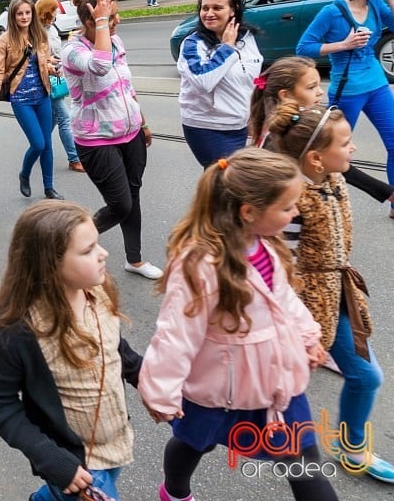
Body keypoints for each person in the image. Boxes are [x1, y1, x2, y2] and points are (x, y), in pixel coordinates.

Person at [138, 148, 335, 501]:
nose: (296, 212)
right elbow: (176, 333)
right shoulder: (200, 263)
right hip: (220, 388)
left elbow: (284, 300)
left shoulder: (267, 247)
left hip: (275, 382)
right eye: (287, 207)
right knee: (193, 443)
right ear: (249, 212)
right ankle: (174, 491)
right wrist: (161, 391)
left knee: (306, 467)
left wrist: (307, 337)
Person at [0, 201, 143, 501]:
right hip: (73, 461)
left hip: (114, 439)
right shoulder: (19, 332)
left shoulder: (97, 291)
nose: (103, 254)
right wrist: (51, 460)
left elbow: (114, 347)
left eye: (98, 243)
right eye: (88, 250)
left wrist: (147, 380)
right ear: (49, 264)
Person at [267, 103, 394, 483]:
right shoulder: (291, 201)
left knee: (366, 377)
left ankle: (348, 445)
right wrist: (293, 326)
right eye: (347, 142)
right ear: (317, 158)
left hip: (337, 292)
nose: (354, 148)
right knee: (291, 388)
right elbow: (280, 268)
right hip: (307, 305)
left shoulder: (333, 178)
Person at [60, 0, 161, 280]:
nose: (117, 22)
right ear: (90, 21)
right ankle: (66, 243)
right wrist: (103, 23)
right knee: (120, 204)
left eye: (114, 16)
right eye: (109, 17)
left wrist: (142, 121)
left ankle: (135, 260)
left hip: (130, 133)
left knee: (133, 196)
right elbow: (100, 67)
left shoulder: (116, 41)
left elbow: (126, 87)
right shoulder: (72, 50)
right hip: (96, 140)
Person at [296, 0, 394, 217]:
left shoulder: (377, 5)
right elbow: (303, 47)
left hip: (377, 85)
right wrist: (344, 45)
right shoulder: (332, 12)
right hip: (347, 90)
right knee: (329, 151)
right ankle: (321, 201)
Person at [248, 56, 394, 207]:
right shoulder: (283, 136)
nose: (319, 92)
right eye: (311, 87)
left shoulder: (297, 123)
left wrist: (387, 192)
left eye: (319, 85)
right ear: (285, 95)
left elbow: (337, 164)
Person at [0, 0, 64, 201]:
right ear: (13, 16)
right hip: (21, 100)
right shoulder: (6, 38)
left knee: (47, 144)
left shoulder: (39, 35)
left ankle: (49, 187)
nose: (24, 17)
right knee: (38, 143)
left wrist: (52, 69)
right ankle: (25, 174)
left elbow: (44, 62)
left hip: (42, 96)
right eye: (20, 13)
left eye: (27, 12)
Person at [177, 0, 262, 167]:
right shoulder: (192, 44)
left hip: (238, 124)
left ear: (233, 9)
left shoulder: (247, 37)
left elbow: (253, 80)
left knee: (225, 186)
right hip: (207, 126)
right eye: (204, 8)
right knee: (228, 183)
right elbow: (203, 81)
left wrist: (253, 115)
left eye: (217, 8)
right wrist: (226, 49)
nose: (209, 13)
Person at [35, 0, 84, 172]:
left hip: (56, 76)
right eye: (55, 10)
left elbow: (57, 50)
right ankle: (74, 158)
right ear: (47, 12)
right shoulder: (37, 32)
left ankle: (38, 145)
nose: (57, 12)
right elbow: (37, 58)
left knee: (55, 118)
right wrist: (49, 64)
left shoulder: (53, 28)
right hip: (45, 80)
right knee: (65, 117)